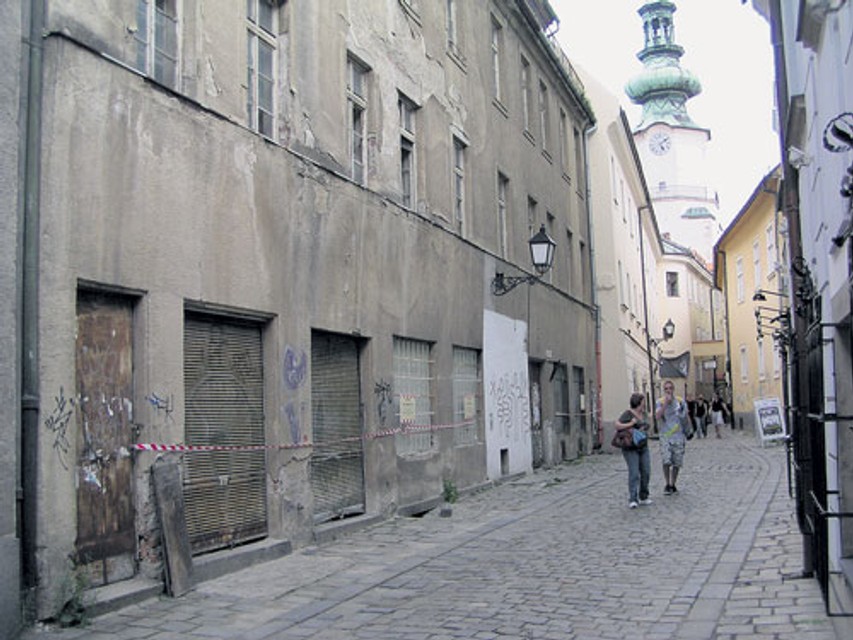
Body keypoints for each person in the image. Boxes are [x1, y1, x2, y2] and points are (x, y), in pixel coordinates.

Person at [614, 393, 652, 509]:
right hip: (630, 447)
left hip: (643, 446)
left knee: (646, 471)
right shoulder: (628, 413)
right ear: (638, 402)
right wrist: (631, 424)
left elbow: (647, 426)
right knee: (634, 472)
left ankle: (644, 496)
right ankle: (633, 498)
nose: (644, 404)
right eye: (643, 402)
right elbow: (617, 425)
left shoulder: (644, 414)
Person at [655, 379, 688, 495]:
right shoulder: (660, 402)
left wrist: (687, 431)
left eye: (670, 388)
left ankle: (673, 483)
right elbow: (657, 416)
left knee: (676, 462)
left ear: (673, 389)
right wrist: (665, 404)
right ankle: (667, 483)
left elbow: (685, 417)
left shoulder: (680, 401)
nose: (668, 390)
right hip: (665, 435)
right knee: (666, 460)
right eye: (666, 389)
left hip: (678, 435)